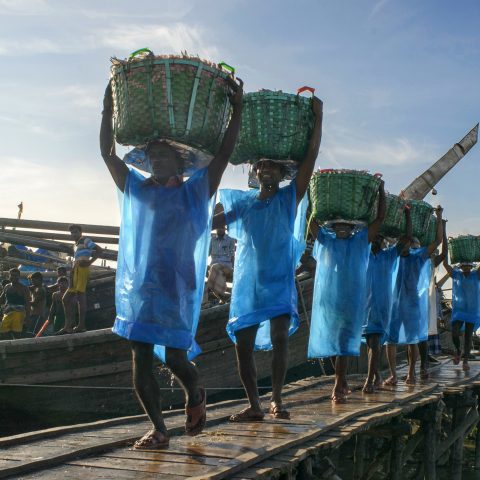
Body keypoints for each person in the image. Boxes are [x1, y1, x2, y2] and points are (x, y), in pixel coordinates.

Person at [101, 75, 243, 448]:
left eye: (164, 156)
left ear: (179, 161)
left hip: (178, 284)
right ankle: (159, 429)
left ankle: (195, 392)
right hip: (142, 283)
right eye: (153, 157)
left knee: (177, 359)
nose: (157, 161)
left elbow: (224, 156)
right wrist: (108, 109)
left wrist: (237, 109)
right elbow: (107, 154)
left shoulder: (196, 191)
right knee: (141, 355)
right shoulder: (139, 190)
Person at [213, 96, 323, 421]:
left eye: (272, 165)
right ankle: (254, 404)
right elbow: (213, 222)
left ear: (281, 171)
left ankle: (276, 399)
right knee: (242, 345)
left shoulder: (290, 198)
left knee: (279, 338)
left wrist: (319, 118)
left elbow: (311, 157)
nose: (265, 169)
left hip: (278, 280)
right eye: (261, 165)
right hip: (248, 283)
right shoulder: (243, 203)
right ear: (255, 171)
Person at [309, 180, 386, 403]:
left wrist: (380, 190)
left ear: (353, 227)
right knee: (332, 342)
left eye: (346, 224)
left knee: (342, 341)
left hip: (351, 300)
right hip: (329, 299)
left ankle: (337, 384)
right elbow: (311, 220)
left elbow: (379, 219)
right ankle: (341, 380)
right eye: (337, 224)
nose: (341, 227)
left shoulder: (361, 241)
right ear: (332, 226)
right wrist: (314, 197)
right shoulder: (326, 241)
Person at [384, 206, 443, 386]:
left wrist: (439, 218)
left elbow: (438, 240)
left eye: (411, 243)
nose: (408, 245)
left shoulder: (418, 257)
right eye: (405, 242)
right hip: (394, 304)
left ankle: (411, 373)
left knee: (412, 339)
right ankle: (393, 374)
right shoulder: (392, 256)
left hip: (411, 303)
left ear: (413, 245)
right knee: (390, 340)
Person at [362, 207, 411, 393]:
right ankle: (376, 376)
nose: (375, 241)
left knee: (375, 343)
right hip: (365, 308)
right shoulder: (363, 255)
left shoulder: (389, 256)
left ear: (383, 242)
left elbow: (406, 239)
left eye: (378, 239)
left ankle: (369, 380)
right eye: (372, 238)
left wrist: (406, 215)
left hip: (382, 307)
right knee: (370, 344)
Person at [442, 229, 480, 372]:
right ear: (461, 266)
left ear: (471, 266)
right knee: (455, 332)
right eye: (463, 266)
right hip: (459, 310)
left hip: (472, 309)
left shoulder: (477, 275)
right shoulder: (456, 275)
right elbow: (445, 263)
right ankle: (458, 351)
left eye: (468, 267)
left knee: (469, 336)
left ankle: (465, 360)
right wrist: (444, 236)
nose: (466, 269)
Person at [59, 225, 102, 334]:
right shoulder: (76, 245)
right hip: (75, 270)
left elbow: (99, 250)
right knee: (65, 298)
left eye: (75, 232)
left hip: (82, 269)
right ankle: (68, 325)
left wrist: (90, 262)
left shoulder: (85, 240)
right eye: (72, 233)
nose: (74, 234)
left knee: (80, 298)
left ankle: (81, 325)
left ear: (80, 232)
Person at [0, 268, 30, 339]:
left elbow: (27, 304)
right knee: (3, 332)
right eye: (12, 275)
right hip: (7, 312)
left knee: (17, 333)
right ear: (9, 276)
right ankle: (10, 346)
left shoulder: (23, 288)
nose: (13, 277)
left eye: (15, 275)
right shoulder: (7, 286)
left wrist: (28, 317)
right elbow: (1, 299)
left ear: (19, 277)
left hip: (18, 313)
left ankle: (19, 347)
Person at [206, 225, 235, 300]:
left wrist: (234, 269)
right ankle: (222, 296)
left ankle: (209, 289)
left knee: (215, 267)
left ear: (224, 229)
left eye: (221, 227)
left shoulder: (230, 239)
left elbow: (232, 256)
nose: (219, 229)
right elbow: (206, 253)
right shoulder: (212, 239)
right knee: (217, 271)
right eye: (218, 227)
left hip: (226, 266)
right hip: (214, 267)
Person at [27, 272, 47, 336]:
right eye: (32, 281)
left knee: (33, 334)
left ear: (40, 280)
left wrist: (23, 301)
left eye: (34, 280)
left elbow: (34, 303)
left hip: (38, 315)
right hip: (33, 315)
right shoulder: (36, 289)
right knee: (33, 333)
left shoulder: (40, 290)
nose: (32, 282)